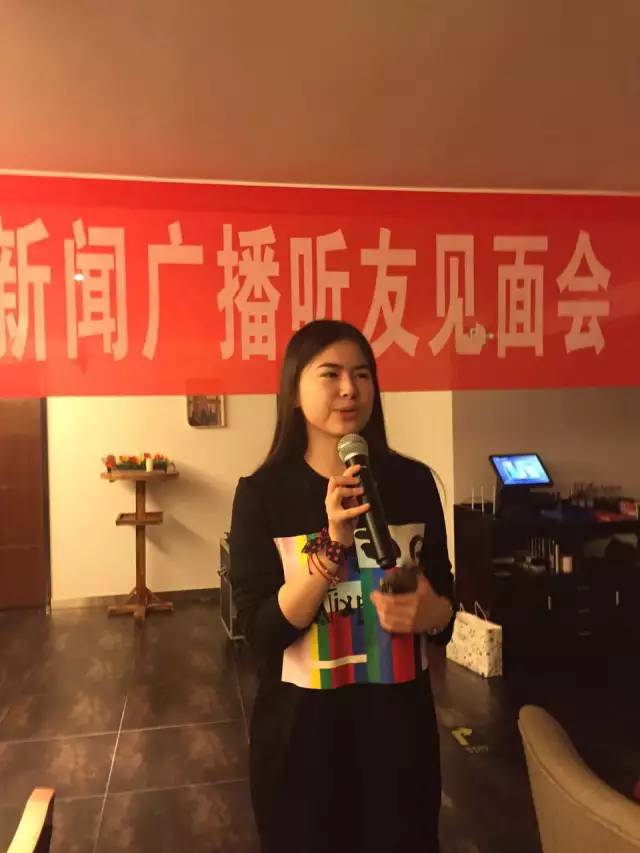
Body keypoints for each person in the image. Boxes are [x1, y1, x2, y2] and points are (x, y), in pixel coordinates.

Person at [230, 320, 456, 853]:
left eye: (362, 374)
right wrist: (333, 545)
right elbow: (260, 633)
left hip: (398, 743)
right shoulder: (262, 495)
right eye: (330, 374)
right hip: (302, 748)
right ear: (293, 392)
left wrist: (433, 614)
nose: (349, 389)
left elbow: (444, 605)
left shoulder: (413, 484)